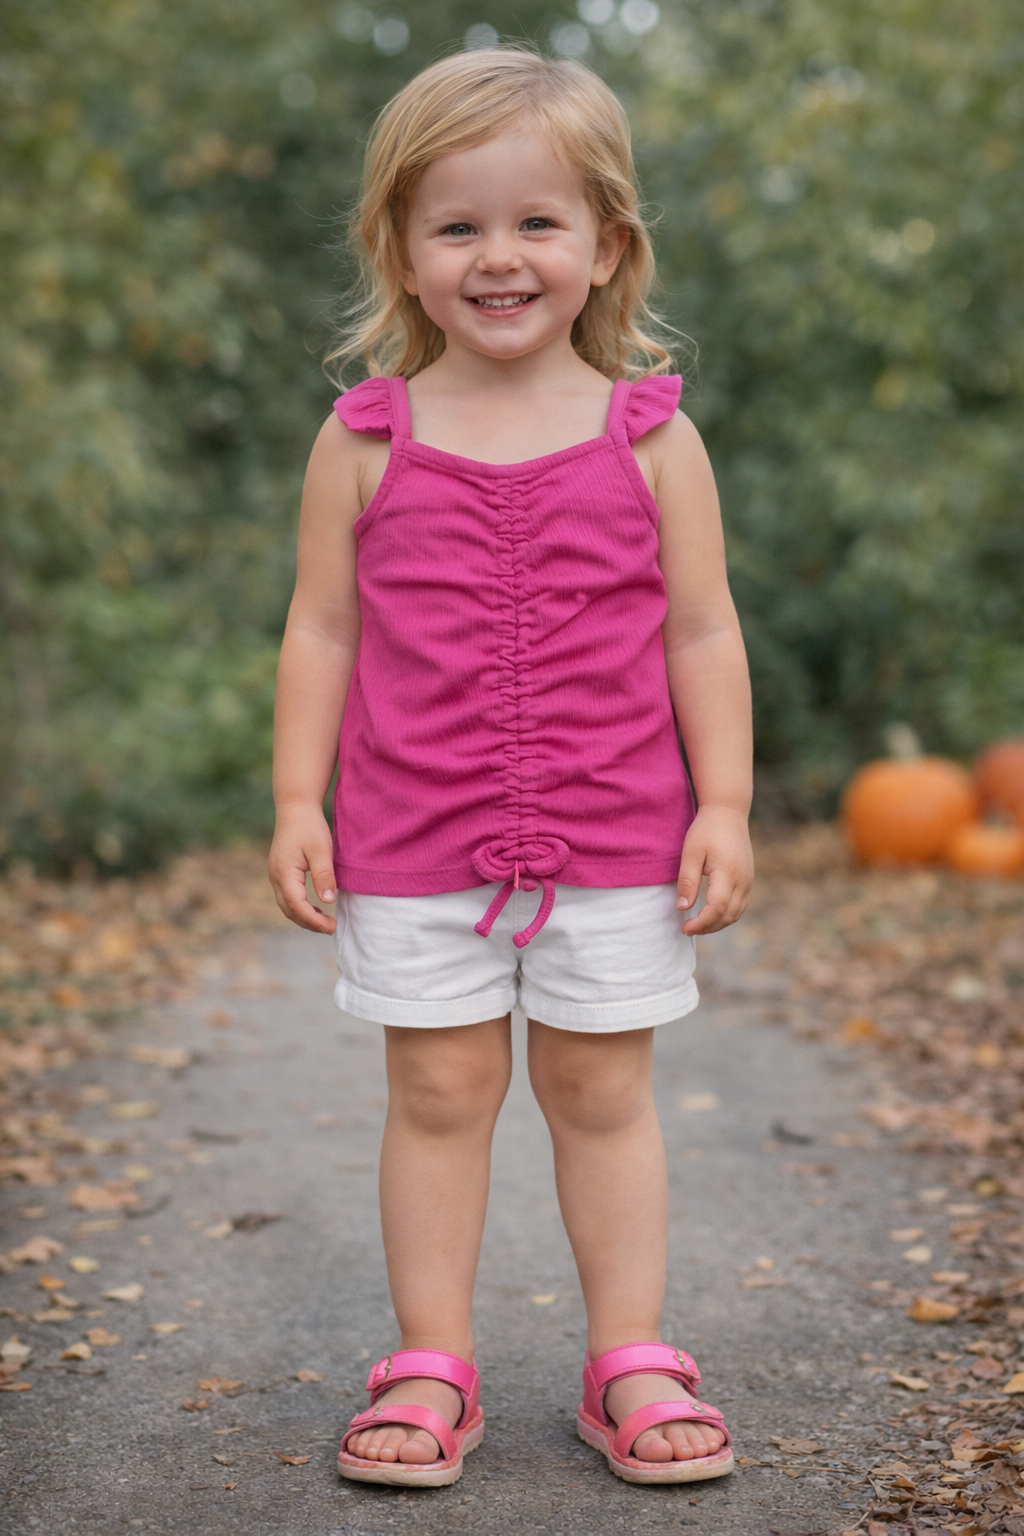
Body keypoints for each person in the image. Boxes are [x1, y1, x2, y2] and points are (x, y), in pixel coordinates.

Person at [269, 46, 753, 1490]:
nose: (500, 257)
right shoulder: (364, 442)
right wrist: (299, 798)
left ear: (606, 245)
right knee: (437, 1091)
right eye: (457, 225)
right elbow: (320, 630)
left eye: (537, 223)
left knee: (605, 1096)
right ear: (402, 253)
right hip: (414, 840)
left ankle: (630, 1356)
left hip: (616, 839)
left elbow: (706, 632)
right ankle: (431, 1361)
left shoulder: (654, 439)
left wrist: (723, 800)